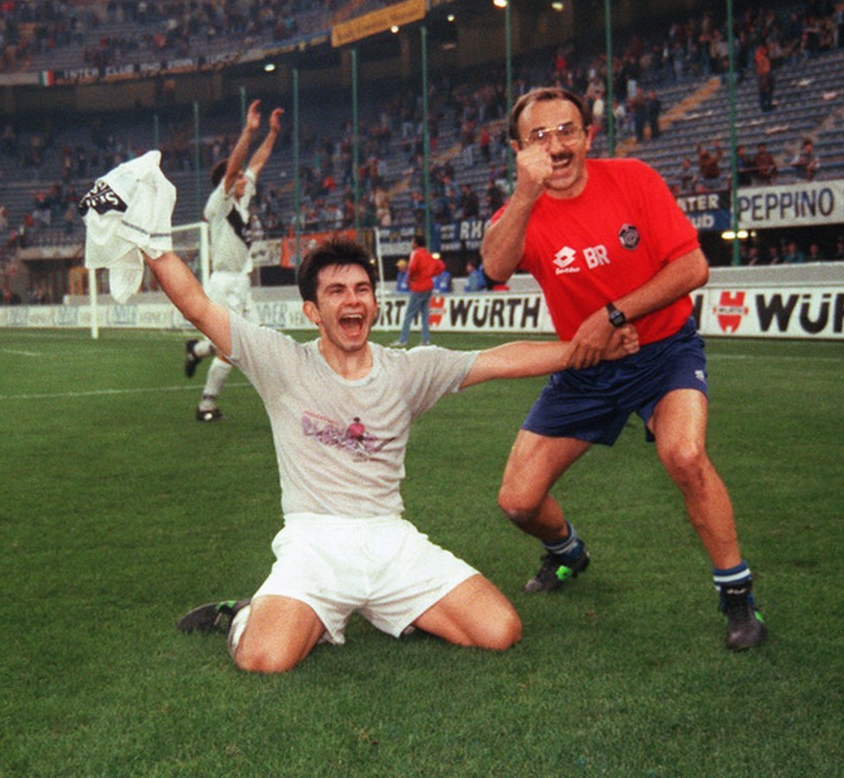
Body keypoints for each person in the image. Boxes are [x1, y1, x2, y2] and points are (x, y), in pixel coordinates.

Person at [150, 235, 638, 672]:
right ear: (312, 312)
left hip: (389, 538)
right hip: (314, 542)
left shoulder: (407, 371)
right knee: (265, 659)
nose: (352, 301)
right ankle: (243, 615)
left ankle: (387, 610)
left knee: (499, 631)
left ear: (375, 302)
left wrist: (583, 349)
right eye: (336, 292)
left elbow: (499, 360)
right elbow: (198, 306)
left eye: (362, 290)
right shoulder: (282, 362)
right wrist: (151, 241)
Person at [480, 86, 767, 652]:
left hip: (663, 353)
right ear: (518, 150)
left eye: (566, 131)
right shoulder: (524, 209)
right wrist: (523, 193)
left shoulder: (633, 179)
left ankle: (739, 602)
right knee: (517, 501)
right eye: (538, 137)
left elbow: (692, 266)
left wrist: (610, 316)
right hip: (587, 370)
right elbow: (494, 265)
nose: (555, 146)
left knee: (684, 455)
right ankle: (569, 553)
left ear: (588, 136)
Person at [182, 99, 283, 422]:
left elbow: (257, 163)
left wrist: (271, 133)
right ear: (227, 183)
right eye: (238, 178)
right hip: (224, 284)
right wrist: (248, 131)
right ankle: (206, 406)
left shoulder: (242, 198)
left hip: (240, 282)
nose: (244, 180)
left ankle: (197, 350)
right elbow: (237, 166)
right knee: (232, 348)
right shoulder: (221, 203)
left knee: (256, 342)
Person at [391, 233, 445, 347]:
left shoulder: (416, 254)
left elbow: (412, 268)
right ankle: (425, 340)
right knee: (425, 315)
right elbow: (441, 266)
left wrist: (409, 278)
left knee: (409, 314)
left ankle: (403, 339)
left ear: (415, 243)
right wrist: (430, 274)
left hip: (418, 286)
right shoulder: (428, 254)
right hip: (428, 286)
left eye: (412, 241)